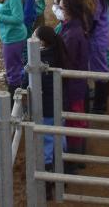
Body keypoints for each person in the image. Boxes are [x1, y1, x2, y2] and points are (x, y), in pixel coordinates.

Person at [52, 0, 90, 172]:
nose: (58, 10)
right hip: (76, 83)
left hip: (72, 85)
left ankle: (72, 164)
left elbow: (66, 60)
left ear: (70, 11)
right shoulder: (71, 27)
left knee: (74, 122)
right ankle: (78, 157)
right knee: (76, 120)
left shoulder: (72, 34)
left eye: (61, 8)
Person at [32, 25, 68, 197]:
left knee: (46, 141)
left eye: (34, 36)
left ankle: (46, 185)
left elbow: (29, 82)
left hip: (46, 108)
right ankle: (62, 176)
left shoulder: (39, 59)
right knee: (60, 137)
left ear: (42, 42)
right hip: (60, 105)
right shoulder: (60, 52)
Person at [85, 0, 109, 114]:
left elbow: (93, 20)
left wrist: (86, 32)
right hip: (101, 36)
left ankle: (100, 105)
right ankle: (102, 96)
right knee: (101, 68)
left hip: (96, 39)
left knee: (100, 71)